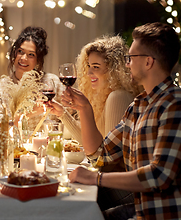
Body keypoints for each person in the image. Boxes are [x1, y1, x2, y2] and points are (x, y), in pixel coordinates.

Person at [66, 22, 181, 219]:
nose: (127, 63)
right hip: (141, 211)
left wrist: (96, 178)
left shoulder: (173, 105)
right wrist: (84, 109)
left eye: (130, 58)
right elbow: (101, 156)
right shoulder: (138, 106)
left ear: (148, 62)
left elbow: (159, 176)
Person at [49, 36, 141, 210]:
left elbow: (104, 161)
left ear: (115, 70)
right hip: (109, 181)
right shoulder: (102, 96)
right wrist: (63, 114)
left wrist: (83, 109)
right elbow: (93, 147)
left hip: (121, 191)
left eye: (96, 68)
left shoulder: (118, 97)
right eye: (89, 67)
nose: (89, 73)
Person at [0, 26, 66, 131]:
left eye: (31, 55)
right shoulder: (0, 86)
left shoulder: (51, 82)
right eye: (20, 51)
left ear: (38, 60)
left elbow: (70, 118)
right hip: (13, 146)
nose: (23, 58)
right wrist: (28, 113)